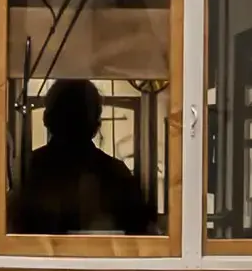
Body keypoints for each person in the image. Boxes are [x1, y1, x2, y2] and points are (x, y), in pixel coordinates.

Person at [8, 77, 158, 234]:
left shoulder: (26, 170)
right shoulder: (117, 175)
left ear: (47, 118)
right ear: (95, 124)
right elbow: (141, 237)